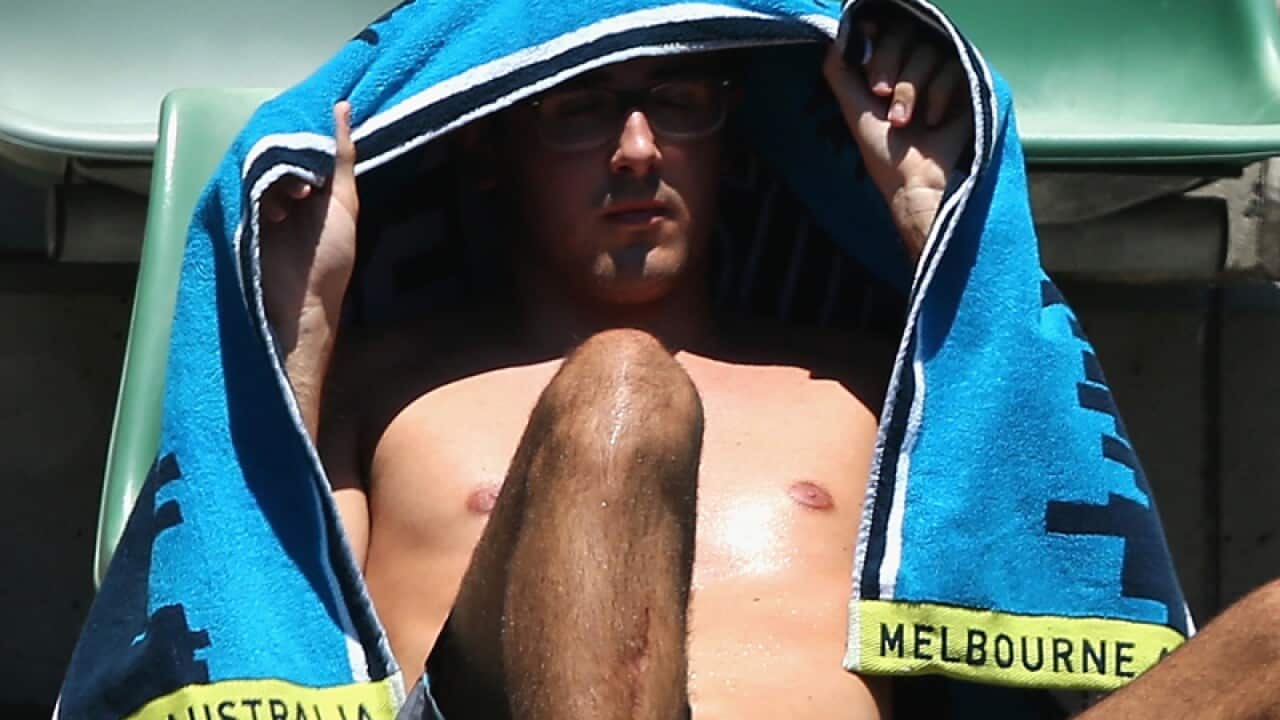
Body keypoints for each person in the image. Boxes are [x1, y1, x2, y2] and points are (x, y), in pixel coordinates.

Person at [258, 8, 1280, 720]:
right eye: (579, 109)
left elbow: (1058, 593)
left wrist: (944, 241)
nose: (636, 150)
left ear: (735, 143)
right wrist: (302, 324)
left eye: (679, 100)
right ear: (488, 148)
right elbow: (263, 630)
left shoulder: (874, 384)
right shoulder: (385, 389)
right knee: (624, 387)